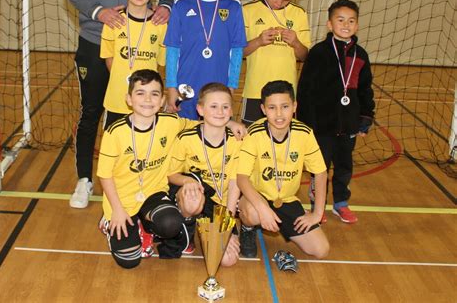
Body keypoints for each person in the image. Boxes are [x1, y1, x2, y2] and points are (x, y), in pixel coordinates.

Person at [63, 0, 180, 208]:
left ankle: (139, 184)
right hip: (95, 38)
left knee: (143, 114)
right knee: (92, 112)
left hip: (141, 46)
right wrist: (98, 11)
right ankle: (85, 179)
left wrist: (167, 6)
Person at [97, 69, 189, 268]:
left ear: (162, 99)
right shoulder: (114, 132)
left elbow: (201, 127)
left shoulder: (171, 122)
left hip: (153, 192)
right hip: (121, 199)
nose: (148, 99)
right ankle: (109, 221)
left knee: (171, 223)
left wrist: (231, 124)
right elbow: (104, 176)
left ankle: (146, 227)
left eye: (154, 93)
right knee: (129, 262)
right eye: (140, 93)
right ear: (129, 99)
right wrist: (117, 211)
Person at [296, 0, 375, 224]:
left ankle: (341, 203)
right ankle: (316, 207)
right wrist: (305, 124)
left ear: (357, 25)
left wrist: (365, 118)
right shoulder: (319, 53)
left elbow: (365, 89)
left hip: (348, 124)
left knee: (344, 166)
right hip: (321, 125)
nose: (346, 25)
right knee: (319, 167)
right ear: (330, 24)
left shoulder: (361, 55)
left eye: (351, 21)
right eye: (340, 20)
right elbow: (305, 90)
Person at [237, 80, 329, 260]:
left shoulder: (304, 133)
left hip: (285, 199)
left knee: (321, 249)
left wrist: (317, 213)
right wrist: (262, 207)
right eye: (272, 108)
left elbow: (321, 173)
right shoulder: (254, 134)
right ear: (263, 109)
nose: (279, 114)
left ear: (294, 106)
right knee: (254, 213)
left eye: (285, 106)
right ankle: (248, 228)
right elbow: (241, 178)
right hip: (256, 198)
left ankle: (274, 218)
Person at [164, 0, 247, 119]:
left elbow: (237, 50)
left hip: (219, 85)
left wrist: (231, 87)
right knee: (184, 137)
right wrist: (171, 87)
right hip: (186, 85)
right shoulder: (181, 4)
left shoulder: (233, 6)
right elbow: (172, 49)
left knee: (215, 137)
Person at [167, 83, 241, 266]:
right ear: (200, 110)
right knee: (192, 199)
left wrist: (228, 225)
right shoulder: (186, 139)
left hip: (220, 206)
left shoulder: (237, 142)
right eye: (213, 106)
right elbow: (171, 174)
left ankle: (212, 230)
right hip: (194, 198)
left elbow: (234, 184)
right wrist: (188, 180)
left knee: (227, 260)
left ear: (231, 111)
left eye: (225, 107)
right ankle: (187, 231)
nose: (220, 111)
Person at [241, 0, 311, 125]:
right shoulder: (247, 10)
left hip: (286, 93)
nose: (279, 3)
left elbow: (306, 56)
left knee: (282, 143)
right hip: (255, 92)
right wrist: (258, 41)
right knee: (250, 139)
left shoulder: (299, 14)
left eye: (286, 0)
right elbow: (238, 52)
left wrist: (296, 43)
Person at [100, 0, 166, 128]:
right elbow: (110, 60)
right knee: (114, 148)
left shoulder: (160, 25)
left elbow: (161, 65)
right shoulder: (113, 22)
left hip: (147, 103)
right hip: (117, 98)